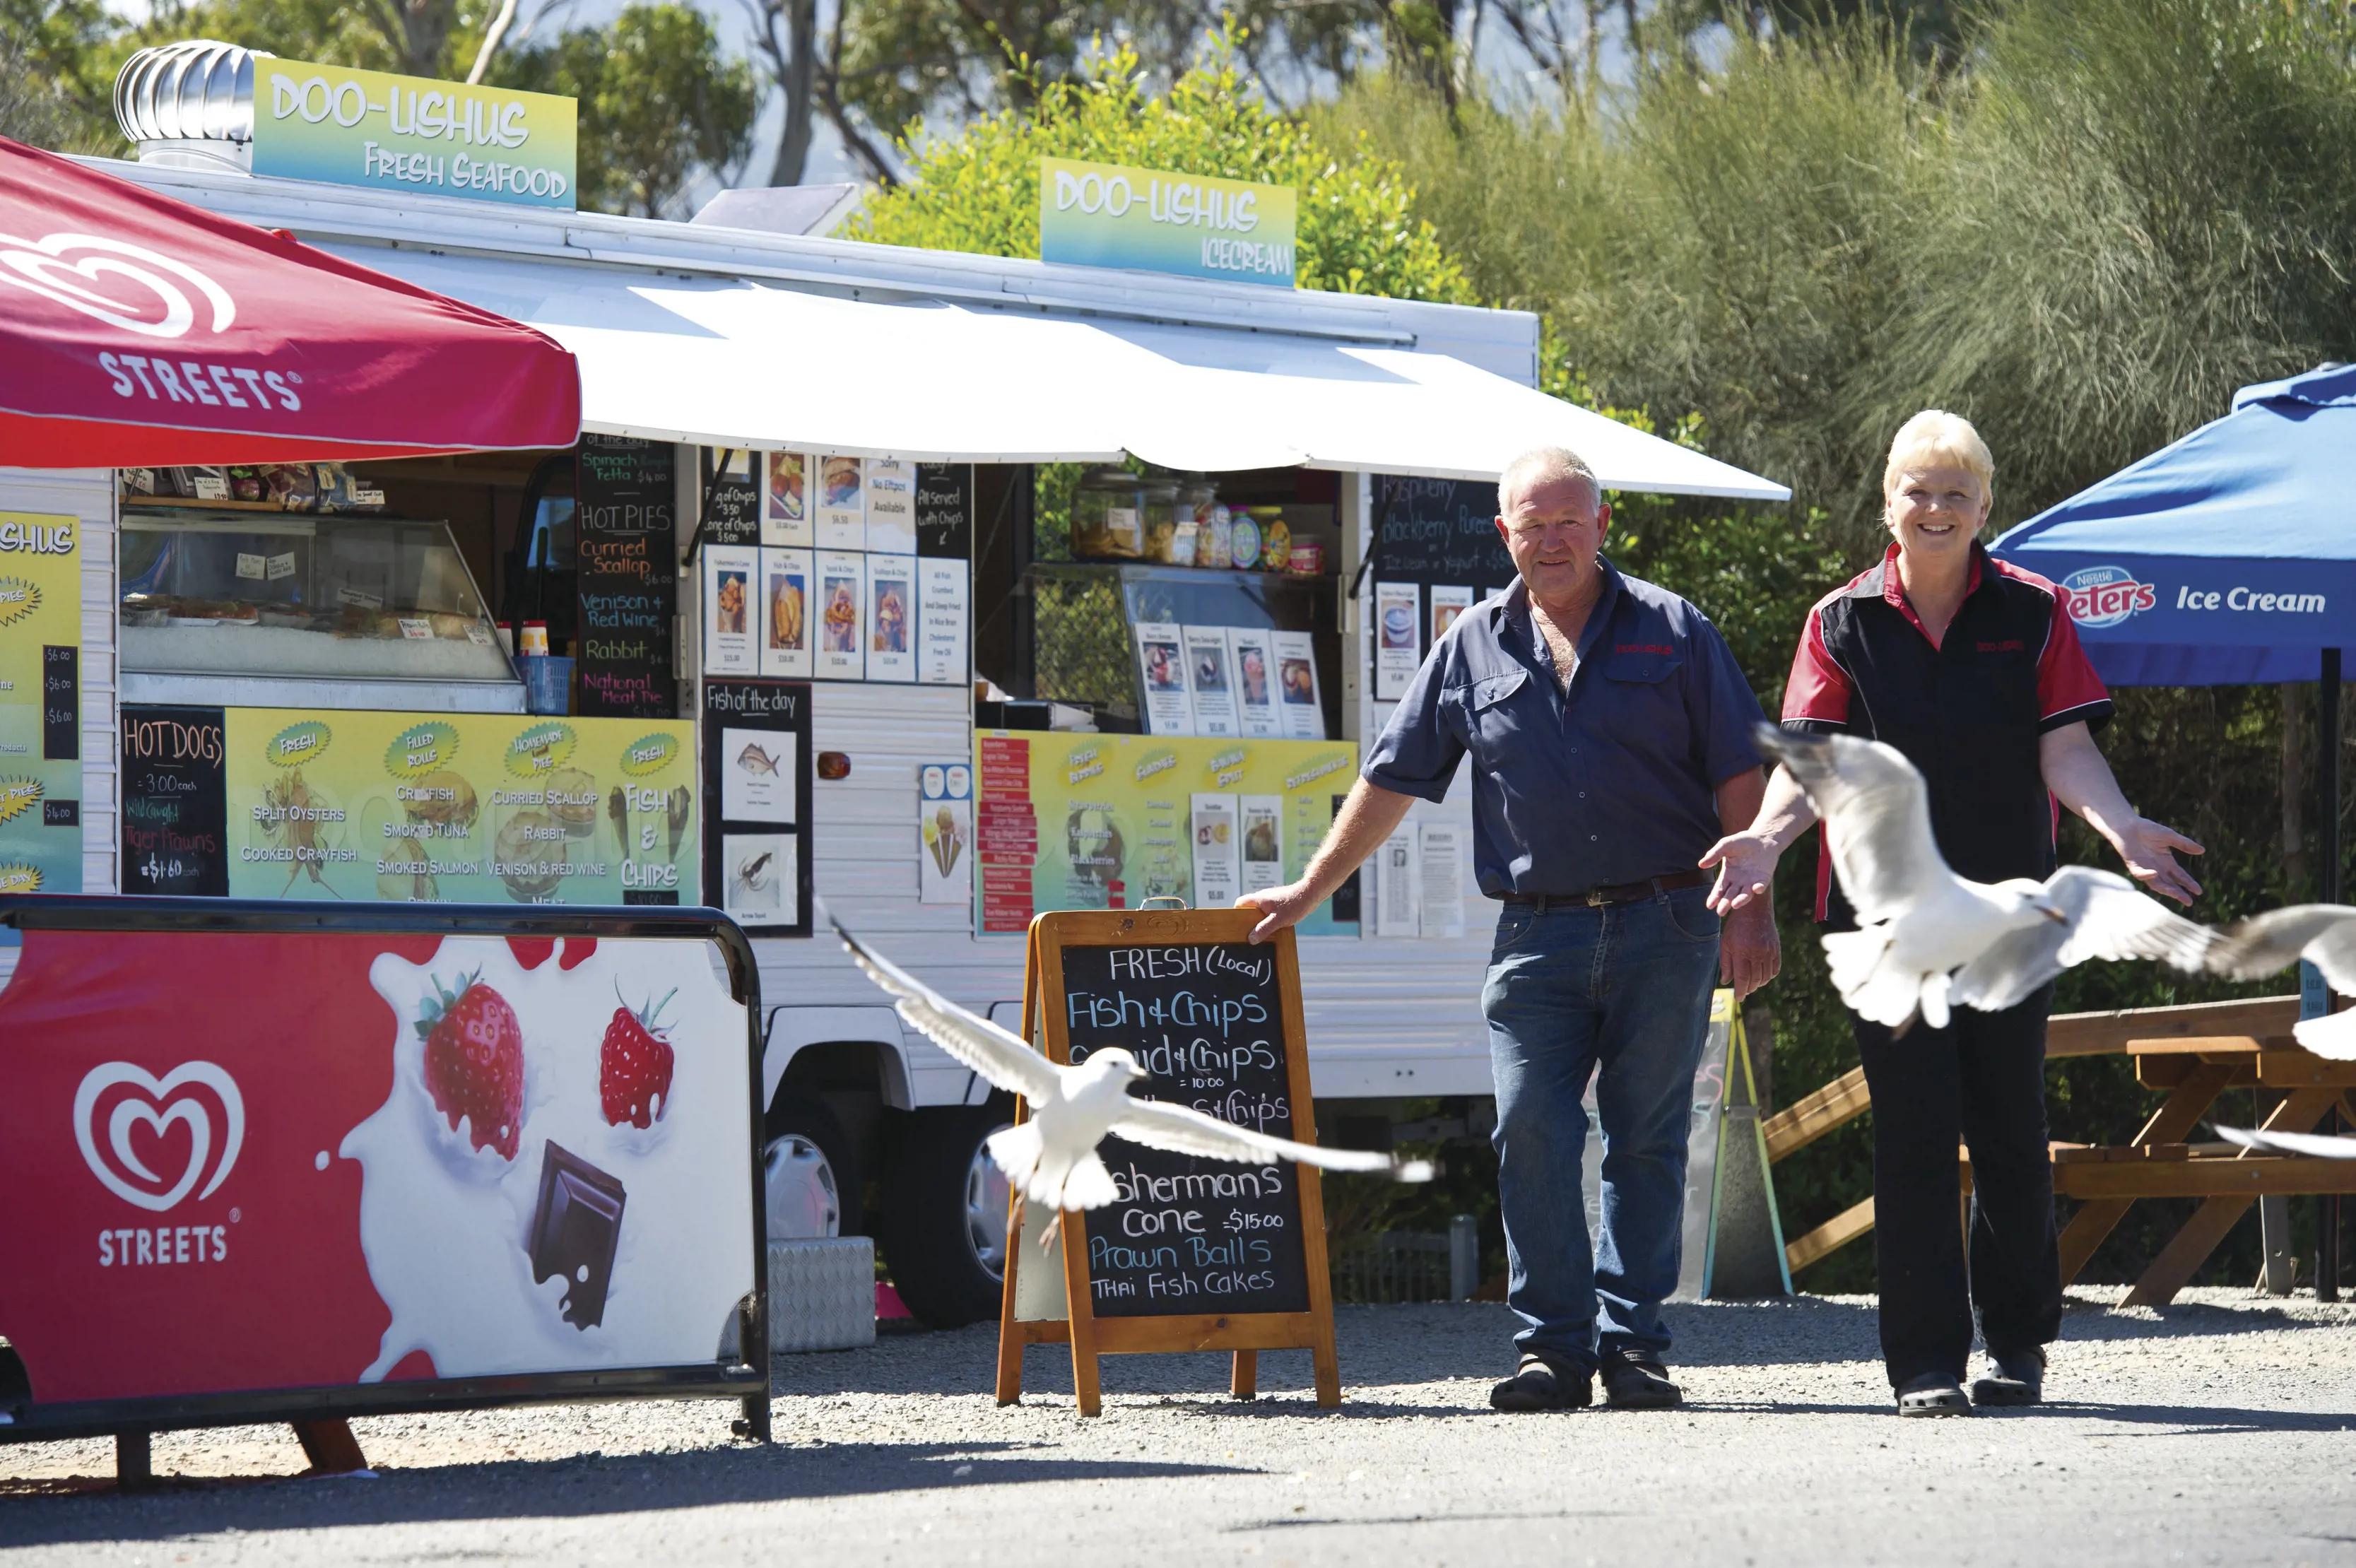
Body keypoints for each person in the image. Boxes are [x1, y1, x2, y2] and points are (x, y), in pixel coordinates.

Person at [1240, 445, 1779, 1412]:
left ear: (1603, 525)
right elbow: (1390, 779)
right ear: (1505, 535)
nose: (1552, 539)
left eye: (1569, 521)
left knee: (1645, 1140)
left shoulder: (1673, 628)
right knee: (1529, 1126)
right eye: (1532, 525)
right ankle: (1550, 1352)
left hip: (1669, 919)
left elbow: (1740, 770)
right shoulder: (1469, 644)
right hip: (1536, 935)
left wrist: (1752, 907)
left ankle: (1634, 1348)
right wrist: (1309, 889)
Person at [1701, 409, 2203, 1417]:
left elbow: (2063, 750)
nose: (1935, 509)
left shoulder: (2035, 610)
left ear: (1984, 507)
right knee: (1914, 1133)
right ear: (1888, 504)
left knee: (2009, 1125)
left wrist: (2118, 826)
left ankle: (2014, 1345)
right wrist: (1763, 838)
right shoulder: (1837, 620)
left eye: (1955, 493)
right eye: (1917, 491)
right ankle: (1922, 1362)